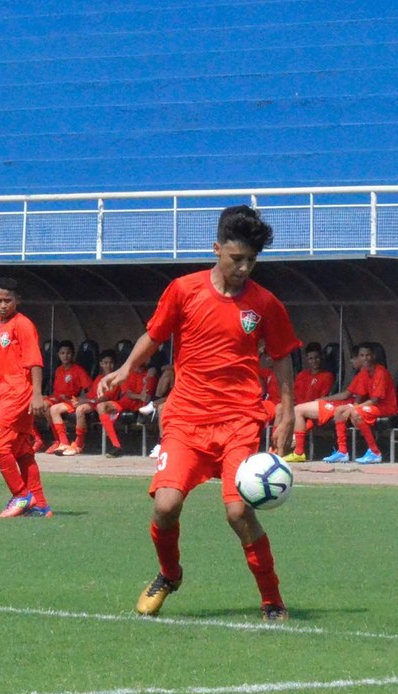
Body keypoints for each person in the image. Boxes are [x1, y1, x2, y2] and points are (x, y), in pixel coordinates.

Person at [99, 204, 300, 620]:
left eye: (251, 261)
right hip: (186, 418)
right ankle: (169, 574)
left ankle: (272, 600)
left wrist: (286, 410)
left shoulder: (265, 304)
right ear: (216, 249)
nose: (244, 268)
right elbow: (153, 337)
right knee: (166, 506)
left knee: (238, 511)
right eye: (236, 258)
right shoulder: (183, 290)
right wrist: (124, 370)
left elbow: (282, 356)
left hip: (239, 419)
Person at [0, 277, 53, 518]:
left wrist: (37, 395)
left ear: (17, 300)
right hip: (0, 394)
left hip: (17, 394)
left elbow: (35, 361)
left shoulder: (23, 325)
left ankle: (21, 495)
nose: (2, 305)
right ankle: (40, 505)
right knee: (22, 451)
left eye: (7, 300)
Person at [318, 343, 398, 464]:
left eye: (367, 355)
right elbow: (359, 394)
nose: (365, 358)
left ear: (373, 356)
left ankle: (375, 452)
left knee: (356, 413)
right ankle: (342, 452)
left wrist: (354, 408)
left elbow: (375, 400)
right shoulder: (364, 372)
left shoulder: (380, 372)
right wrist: (352, 406)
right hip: (373, 406)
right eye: (362, 355)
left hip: (386, 407)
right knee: (339, 410)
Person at [281, 341, 336, 462]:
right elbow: (294, 394)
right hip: (297, 409)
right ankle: (277, 448)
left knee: (306, 420)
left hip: (312, 412)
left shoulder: (327, 376)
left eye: (316, 357)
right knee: (280, 409)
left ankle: (295, 450)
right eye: (311, 358)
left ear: (321, 358)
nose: (314, 361)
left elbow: (322, 398)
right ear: (307, 360)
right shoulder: (302, 375)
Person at [36, 340, 93, 454]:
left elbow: (90, 389)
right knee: (38, 405)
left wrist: (81, 400)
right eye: (62, 353)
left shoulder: (78, 370)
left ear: (73, 354)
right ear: (58, 355)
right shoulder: (58, 370)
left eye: (68, 353)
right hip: (57, 398)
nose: (65, 356)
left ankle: (63, 442)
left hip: (70, 400)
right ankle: (51, 440)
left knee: (53, 409)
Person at [58, 349, 119, 456]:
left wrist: (84, 400)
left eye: (110, 363)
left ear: (114, 364)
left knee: (95, 405)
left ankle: (115, 444)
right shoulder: (99, 378)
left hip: (109, 404)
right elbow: (90, 394)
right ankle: (79, 443)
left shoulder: (116, 378)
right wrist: (78, 399)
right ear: (101, 364)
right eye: (105, 363)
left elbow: (104, 398)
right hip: (95, 403)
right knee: (80, 409)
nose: (108, 365)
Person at [95, 359, 157, 458]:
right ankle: (116, 445)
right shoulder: (127, 374)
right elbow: (127, 393)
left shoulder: (150, 374)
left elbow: (147, 397)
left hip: (142, 406)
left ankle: (110, 427)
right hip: (125, 404)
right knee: (101, 406)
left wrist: (148, 380)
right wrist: (139, 396)